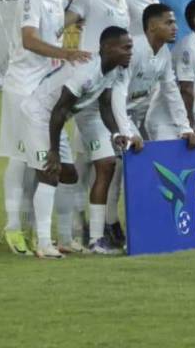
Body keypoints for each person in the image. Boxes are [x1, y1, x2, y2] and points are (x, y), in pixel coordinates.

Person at [0, 0, 89, 258]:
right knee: (20, 158)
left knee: (58, 166)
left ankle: (57, 235)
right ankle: (14, 228)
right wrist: (65, 53)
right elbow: (29, 39)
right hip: (23, 89)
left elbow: (50, 31)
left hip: (46, 90)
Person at [33, 27, 139, 257]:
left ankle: (68, 240)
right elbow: (59, 109)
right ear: (107, 48)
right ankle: (42, 242)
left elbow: (104, 105)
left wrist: (114, 134)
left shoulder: (111, 69)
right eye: (126, 47)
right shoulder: (86, 71)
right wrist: (53, 150)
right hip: (38, 115)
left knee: (70, 175)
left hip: (57, 118)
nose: (131, 52)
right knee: (50, 171)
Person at [64, 0, 130, 245]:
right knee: (88, 164)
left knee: (91, 163)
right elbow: (60, 22)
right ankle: (82, 231)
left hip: (109, 88)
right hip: (86, 89)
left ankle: (87, 230)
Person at [104, 2, 177, 248]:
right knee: (107, 175)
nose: (175, 27)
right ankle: (106, 227)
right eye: (169, 22)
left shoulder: (164, 53)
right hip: (107, 115)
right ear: (153, 26)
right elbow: (117, 92)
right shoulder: (133, 50)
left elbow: (171, 90)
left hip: (132, 117)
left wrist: (185, 126)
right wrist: (125, 131)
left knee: (122, 173)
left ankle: (118, 227)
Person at [145, 0, 195, 144]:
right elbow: (186, 90)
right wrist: (191, 127)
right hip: (166, 122)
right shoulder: (187, 48)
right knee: (167, 166)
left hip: (190, 122)